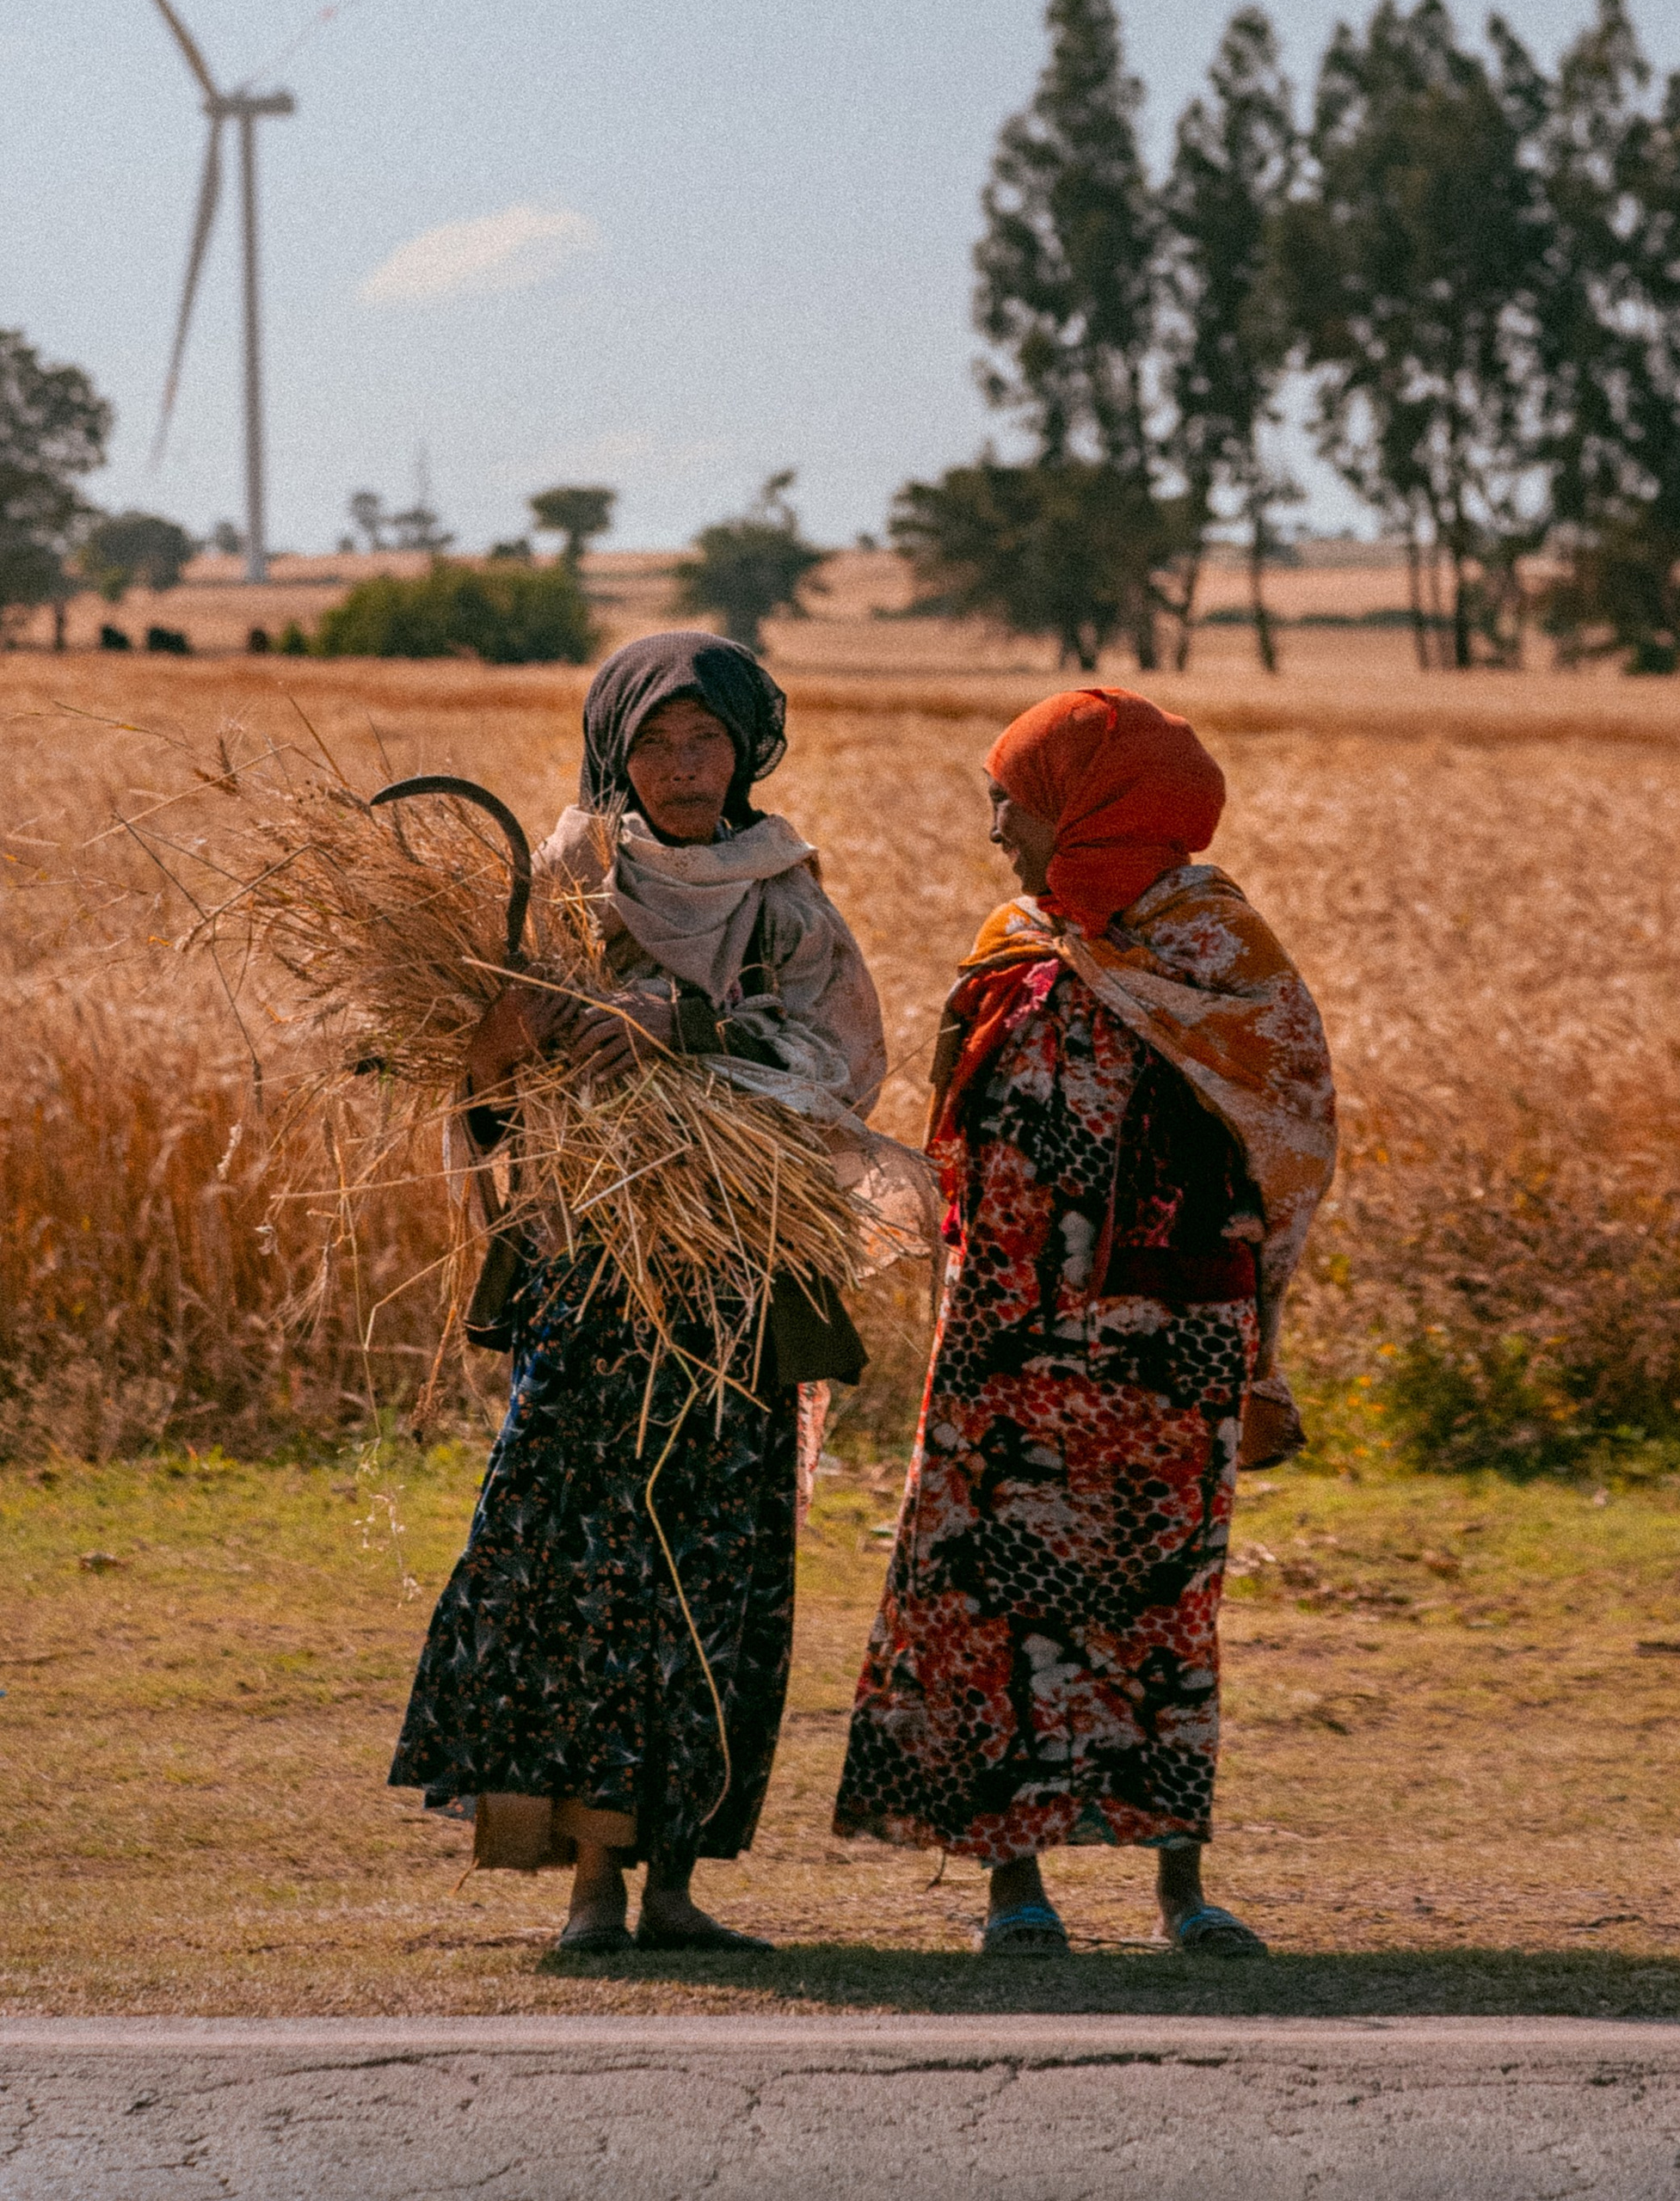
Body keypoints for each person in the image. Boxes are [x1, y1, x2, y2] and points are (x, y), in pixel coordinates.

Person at [389, 630, 886, 1954]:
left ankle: (670, 1883)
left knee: (712, 1576)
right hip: (593, 1280)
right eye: (659, 742)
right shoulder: (566, 883)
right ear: (617, 747)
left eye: (707, 741)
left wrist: (691, 1025)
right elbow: (492, 1069)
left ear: (746, 751)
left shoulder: (783, 894)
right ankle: (590, 1890)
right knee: (577, 1570)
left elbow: (844, 1057)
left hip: (732, 1287)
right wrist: (509, 1042)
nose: (683, 768)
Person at [832, 687, 1335, 1957]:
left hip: (1164, 1351)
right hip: (1006, 1340)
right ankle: (1016, 1893)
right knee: (999, 1601)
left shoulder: (1219, 952)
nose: (995, 826)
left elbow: (1293, 1133)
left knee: (1161, 1607)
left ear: (1089, 804)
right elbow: (953, 1115)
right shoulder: (1015, 941)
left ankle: (1182, 1891)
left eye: (1013, 799)